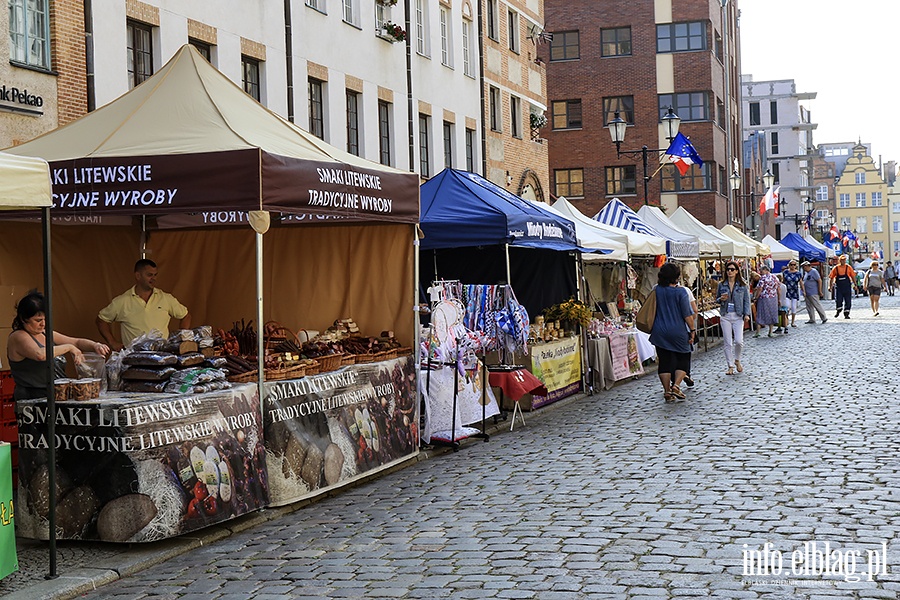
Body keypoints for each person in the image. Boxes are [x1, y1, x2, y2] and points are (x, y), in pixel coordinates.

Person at [7, 291, 110, 401]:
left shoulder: (45, 333)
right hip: (33, 398)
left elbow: (76, 342)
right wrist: (69, 348)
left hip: (57, 394)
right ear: (23, 319)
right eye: (38, 320)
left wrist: (95, 345)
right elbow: (40, 354)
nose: (43, 324)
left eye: (45, 319)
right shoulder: (18, 337)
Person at [97, 259, 191, 351]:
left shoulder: (166, 298)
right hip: (133, 359)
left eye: (155, 275)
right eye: (150, 275)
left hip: (161, 358)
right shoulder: (122, 301)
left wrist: (181, 338)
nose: (154, 278)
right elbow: (101, 320)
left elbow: (186, 316)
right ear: (138, 276)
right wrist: (112, 342)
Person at [648, 262, 695, 403]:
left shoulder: (656, 290)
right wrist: (692, 330)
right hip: (678, 331)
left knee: (665, 361)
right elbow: (687, 314)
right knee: (683, 358)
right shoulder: (681, 291)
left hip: (660, 331)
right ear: (676, 276)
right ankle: (676, 386)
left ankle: (667, 391)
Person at [716, 261, 751, 375]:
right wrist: (721, 299)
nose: (730, 271)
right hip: (725, 314)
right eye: (728, 269)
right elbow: (716, 299)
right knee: (727, 342)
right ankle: (730, 365)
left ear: (736, 271)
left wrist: (747, 314)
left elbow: (746, 301)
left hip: (738, 315)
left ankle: (737, 360)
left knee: (739, 341)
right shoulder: (721, 285)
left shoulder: (742, 285)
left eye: (732, 269)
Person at [753, 265, 780, 337]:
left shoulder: (763, 278)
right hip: (773, 297)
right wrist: (779, 299)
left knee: (760, 313)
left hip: (764, 298)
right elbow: (778, 288)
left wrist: (756, 297)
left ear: (765, 270)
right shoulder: (775, 277)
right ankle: (770, 332)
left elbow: (760, 289)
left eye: (761, 271)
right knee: (771, 313)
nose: (760, 273)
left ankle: (758, 332)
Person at [828, 254, 856, 319]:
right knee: (838, 299)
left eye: (844, 260)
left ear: (845, 260)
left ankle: (846, 313)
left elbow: (853, 276)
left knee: (848, 300)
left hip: (847, 286)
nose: (843, 261)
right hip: (839, 287)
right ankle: (838, 310)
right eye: (841, 260)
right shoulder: (836, 268)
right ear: (839, 260)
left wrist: (855, 285)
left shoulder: (848, 267)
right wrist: (830, 286)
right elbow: (831, 277)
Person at [782, 260, 803, 328]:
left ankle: (793, 322)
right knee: (787, 306)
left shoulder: (798, 273)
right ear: (789, 265)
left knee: (794, 307)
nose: (793, 266)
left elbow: (801, 282)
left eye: (794, 265)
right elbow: (783, 281)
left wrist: (803, 291)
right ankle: (786, 320)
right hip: (787, 291)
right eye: (791, 264)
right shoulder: (785, 272)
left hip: (794, 291)